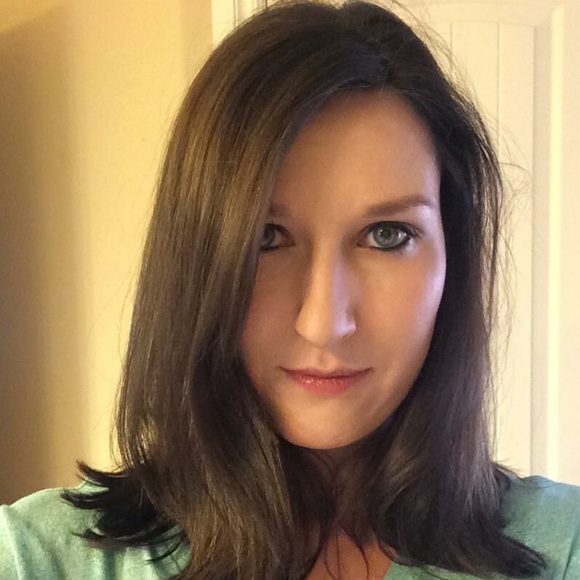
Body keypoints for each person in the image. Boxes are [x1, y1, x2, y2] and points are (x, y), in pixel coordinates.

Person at [1, 1, 579, 578]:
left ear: (453, 257)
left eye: (387, 235)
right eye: (266, 237)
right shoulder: (37, 557)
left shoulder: (564, 547)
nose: (324, 322)